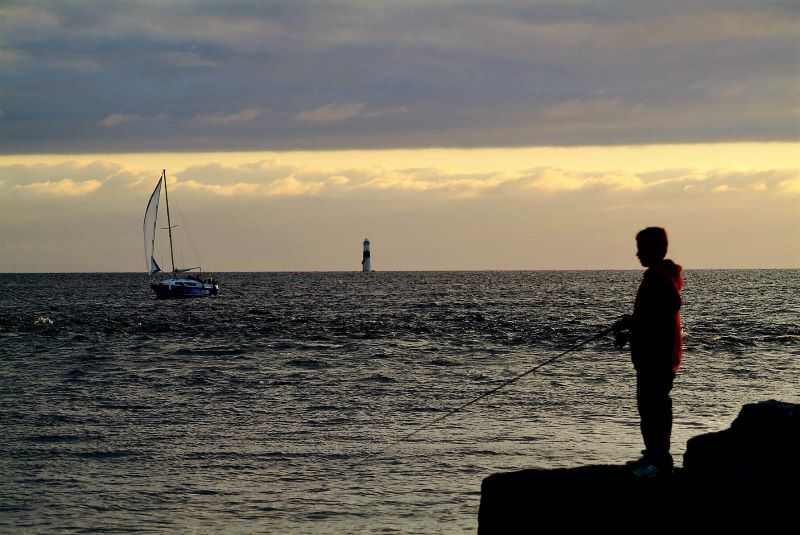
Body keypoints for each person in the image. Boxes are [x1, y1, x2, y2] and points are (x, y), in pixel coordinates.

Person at [613, 227, 683, 478]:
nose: (637, 254)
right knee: (650, 406)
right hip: (654, 354)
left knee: (654, 407)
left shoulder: (659, 278)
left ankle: (658, 460)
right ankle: (653, 454)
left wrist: (634, 323)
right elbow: (653, 315)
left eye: (641, 249)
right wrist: (631, 324)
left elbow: (668, 307)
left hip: (658, 356)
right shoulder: (660, 276)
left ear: (654, 250)